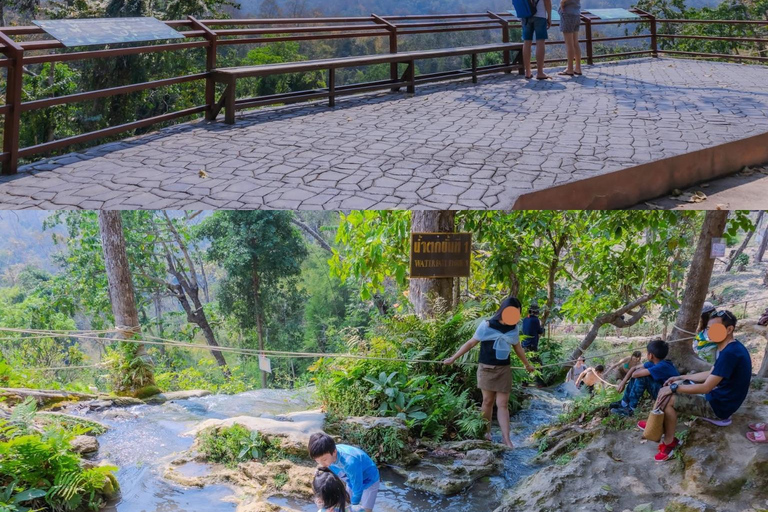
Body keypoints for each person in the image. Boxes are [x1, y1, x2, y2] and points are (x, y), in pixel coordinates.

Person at [650, 310, 753, 461]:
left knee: (668, 400)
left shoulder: (729, 354)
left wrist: (673, 388)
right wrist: (681, 377)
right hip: (723, 400)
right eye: (709, 329)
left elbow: (706, 387)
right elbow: (711, 373)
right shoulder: (731, 348)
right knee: (676, 385)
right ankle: (659, 424)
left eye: (714, 329)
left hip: (719, 407)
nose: (709, 333)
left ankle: (669, 443)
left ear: (729, 329)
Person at [443, 295, 535, 447]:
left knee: (503, 403)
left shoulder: (514, 328)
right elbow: (471, 343)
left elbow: (517, 347)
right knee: (487, 401)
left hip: (504, 369)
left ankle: (506, 439)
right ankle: (486, 433)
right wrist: (453, 358)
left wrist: (527, 364)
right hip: (486, 368)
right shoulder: (487, 326)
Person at [308, 433, 380, 512]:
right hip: (350, 478)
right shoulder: (328, 456)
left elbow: (357, 485)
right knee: (347, 504)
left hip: (369, 480)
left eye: (324, 460)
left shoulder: (350, 462)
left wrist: (355, 504)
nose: (322, 464)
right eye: (318, 460)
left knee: (365, 509)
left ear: (334, 452)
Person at [610, 339, 679, 417]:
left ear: (651, 355)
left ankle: (630, 409)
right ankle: (624, 403)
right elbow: (634, 368)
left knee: (642, 377)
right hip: (664, 390)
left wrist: (639, 371)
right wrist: (623, 382)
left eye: (647, 352)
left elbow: (635, 374)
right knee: (639, 374)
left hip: (669, 396)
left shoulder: (662, 366)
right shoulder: (654, 363)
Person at [521, 0, 553, 80]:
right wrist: (549, 16)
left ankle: (528, 72)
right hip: (540, 15)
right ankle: (540, 72)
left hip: (526, 15)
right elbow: (547, 1)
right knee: (540, 42)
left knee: (527, 42)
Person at [557, 0, 582, 76]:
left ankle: (570, 69)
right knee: (575, 42)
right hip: (576, 14)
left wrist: (562, 3)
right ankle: (578, 68)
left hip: (567, 14)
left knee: (569, 44)